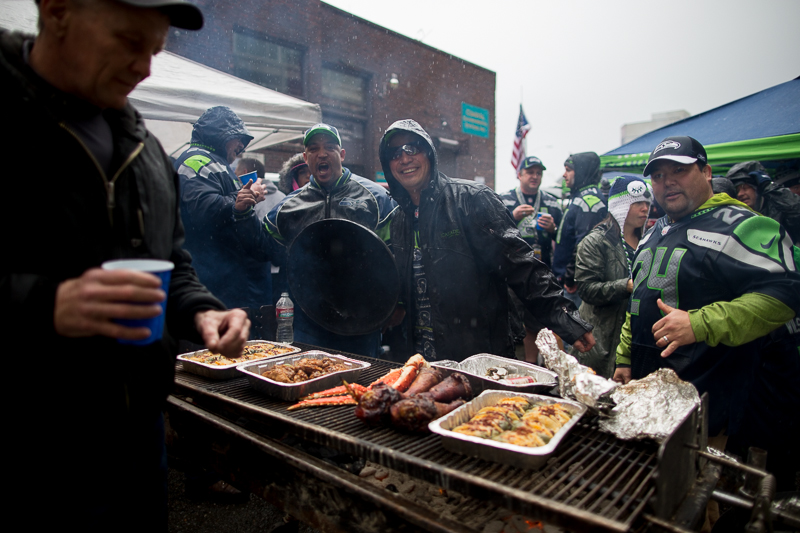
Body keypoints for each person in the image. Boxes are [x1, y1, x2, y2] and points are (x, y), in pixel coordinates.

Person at [0, 0, 249, 529]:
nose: (146, 67)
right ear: (58, 10)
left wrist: (203, 312)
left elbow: (172, 264)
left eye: (156, 49)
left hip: (136, 440)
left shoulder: (148, 152)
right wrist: (44, 304)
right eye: (130, 41)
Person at [613, 136, 800, 484]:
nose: (667, 181)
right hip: (651, 396)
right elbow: (639, 301)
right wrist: (625, 358)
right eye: (658, 175)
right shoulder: (657, 230)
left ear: (706, 171)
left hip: (707, 404)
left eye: (679, 170)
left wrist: (700, 323)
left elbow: (785, 294)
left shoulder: (743, 225)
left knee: (693, 502)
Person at [378, 119, 595, 362]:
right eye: (395, 153)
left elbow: (521, 266)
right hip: (420, 361)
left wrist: (564, 319)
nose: (405, 158)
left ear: (428, 153)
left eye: (412, 149)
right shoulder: (397, 220)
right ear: (388, 165)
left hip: (477, 354)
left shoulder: (471, 200)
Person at [236, 123, 398, 356]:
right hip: (307, 320)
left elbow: (397, 253)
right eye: (313, 149)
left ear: (341, 155)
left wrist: (398, 304)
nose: (321, 153)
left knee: (362, 387)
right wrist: (243, 215)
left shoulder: (376, 197)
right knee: (308, 380)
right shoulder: (289, 206)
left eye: (329, 147)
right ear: (305, 157)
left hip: (362, 321)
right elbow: (264, 250)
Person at [176, 106, 273, 312]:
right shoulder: (196, 160)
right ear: (220, 135)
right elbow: (201, 209)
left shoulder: (216, 163)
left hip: (224, 280)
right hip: (209, 280)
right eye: (238, 138)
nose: (242, 146)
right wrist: (238, 199)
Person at [571, 176, 652, 378]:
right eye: (637, 203)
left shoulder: (650, 240)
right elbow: (587, 289)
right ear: (620, 206)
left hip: (634, 340)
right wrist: (626, 286)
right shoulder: (595, 242)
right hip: (599, 340)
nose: (645, 209)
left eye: (647, 203)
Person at [499, 156, 563, 361]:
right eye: (530, 172)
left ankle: (540, 366)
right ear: (519, 175)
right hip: (511, 272)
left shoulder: (552, 202)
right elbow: (492, 231)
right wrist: (512, 217)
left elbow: (564, 238)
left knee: (539, 322)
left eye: (538, 173)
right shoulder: (505, 199)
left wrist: (553, 229)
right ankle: (517, 363)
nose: (535, 177)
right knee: (514, 323)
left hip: (540, 272)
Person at [552, 152, 608, 307]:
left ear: (581, 171)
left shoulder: (589, 200)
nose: (564, 175)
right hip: (569, 281)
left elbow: (584, 244)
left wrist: (570, 278)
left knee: (573, 329)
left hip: (576, 285)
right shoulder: (580, 197)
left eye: (568, 169)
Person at [726, 160, 800, 242]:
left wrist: (768, 186)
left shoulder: (777, 208)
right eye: (737, 190)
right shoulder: (734, 216)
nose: (740, 194)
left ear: (757, 188)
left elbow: (796, 209)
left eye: (745, 188)